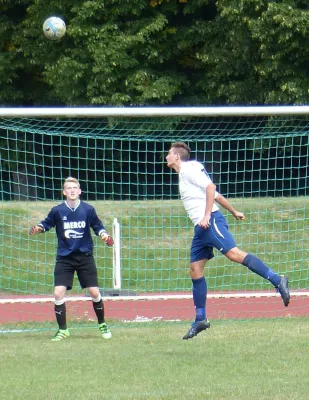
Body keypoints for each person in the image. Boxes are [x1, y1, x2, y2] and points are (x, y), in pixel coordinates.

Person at [166, 142, 290, 340]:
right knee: (195, 269)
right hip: (201, 229)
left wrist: (207, 215)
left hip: (210, 222)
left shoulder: (188, 169)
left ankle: (278, 280)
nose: (167, 157)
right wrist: (233, 211)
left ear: (177, 157)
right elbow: (215, 194)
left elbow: (210, 187)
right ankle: (200, 319)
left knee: (234, 254)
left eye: (169, 154)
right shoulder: (187, 172)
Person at [29, 177, 114, 341]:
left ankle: (102, 324)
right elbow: (46, 224)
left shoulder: (88, 209)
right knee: (58, 293)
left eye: (75, 187)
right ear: (64, 192)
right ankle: (63, 330)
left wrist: (105, 236)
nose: (72, 190)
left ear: (80, 191)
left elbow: (98, 226)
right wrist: (38, 228)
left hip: (85, 257)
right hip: (65, 258)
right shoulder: (57, 210)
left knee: (94, 292)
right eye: (68, 188)